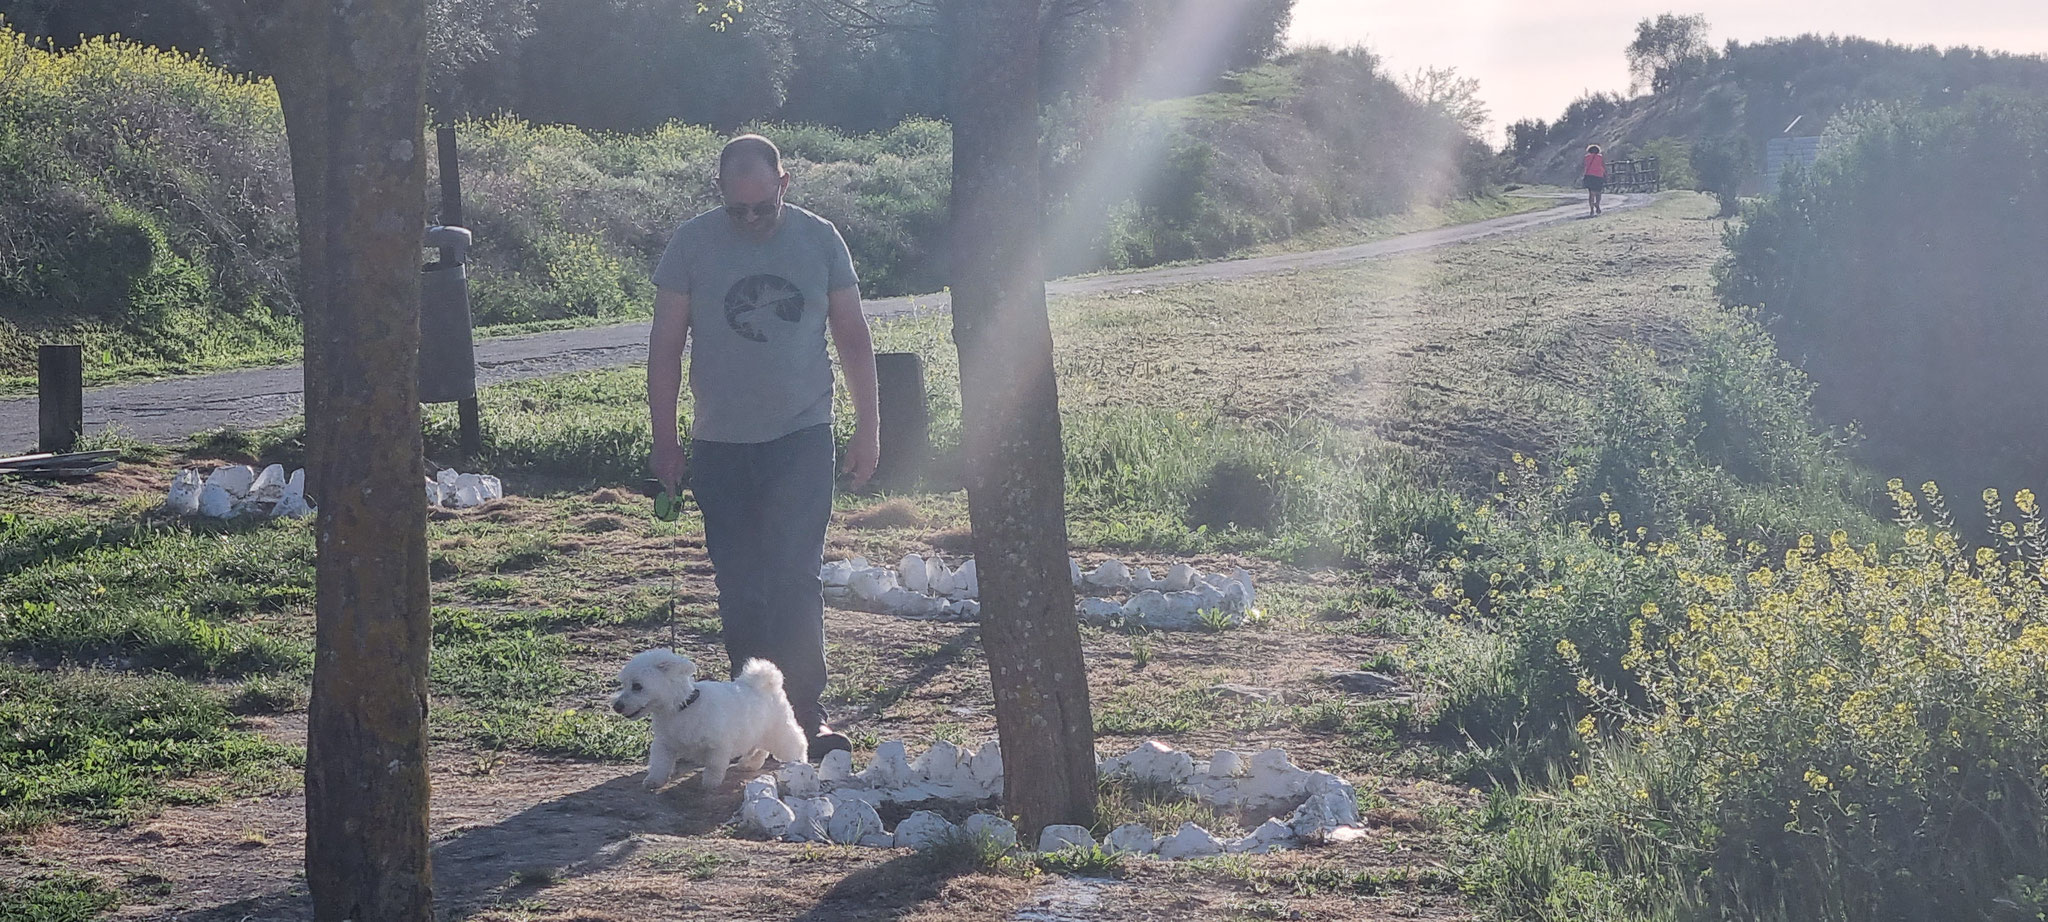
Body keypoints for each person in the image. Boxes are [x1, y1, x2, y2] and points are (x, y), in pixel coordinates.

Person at [646, 134, 879, 762]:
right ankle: (751, 719)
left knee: (794, 577)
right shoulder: (691, 246)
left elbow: (853, 337)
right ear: (720, 191)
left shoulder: (820, 239)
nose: (750, 221)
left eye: (762, 208)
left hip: (802, 436)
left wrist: (869, 428)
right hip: (720, 443)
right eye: (737, 210)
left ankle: (806, 716)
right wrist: (665, 441)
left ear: (784, 183)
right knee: (741, 583)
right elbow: (664, 349)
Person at [1582, 144, 1606, 216]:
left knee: (1591, 194)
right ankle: (1597, 204)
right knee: (1598, 192)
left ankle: (1591, 209)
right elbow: (1603, 166)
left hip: (1589, 175)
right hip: (1599, 175)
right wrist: (1606, 174)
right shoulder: (1600, 157)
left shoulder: (1587, 157)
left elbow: (1585, 166)